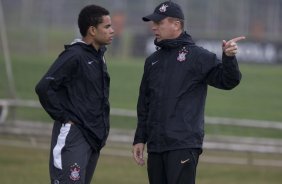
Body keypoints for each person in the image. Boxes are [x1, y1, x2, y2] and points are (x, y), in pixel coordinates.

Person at [132, 1, 244, 184]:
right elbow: (144, 103)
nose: (154, 27)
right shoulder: (152, 61)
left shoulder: (197, 56)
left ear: (176, 25)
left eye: (159, 23)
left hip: (183, 144)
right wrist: (140, 138)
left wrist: (229, 58)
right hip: (156, 145)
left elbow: (228, 81)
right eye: (153, 23)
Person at [35, 4, 114, 184]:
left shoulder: (99, 56)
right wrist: (65, 117)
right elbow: (44, 87)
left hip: (93, 136)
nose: (112, 30)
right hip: (74, 135)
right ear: (92, 30)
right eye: (107, 26)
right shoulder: (74, 55)